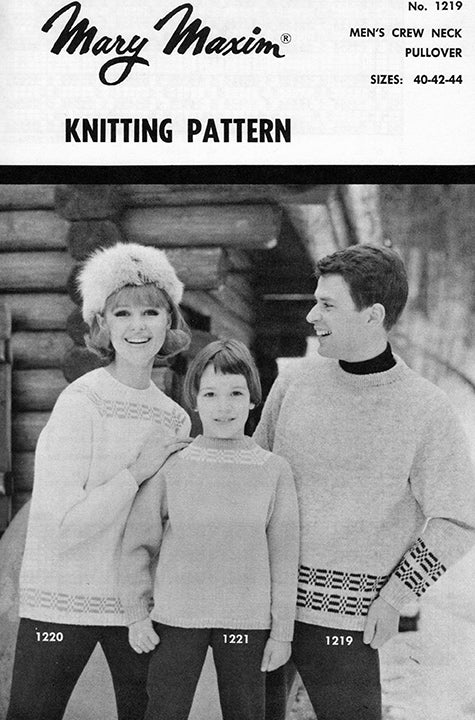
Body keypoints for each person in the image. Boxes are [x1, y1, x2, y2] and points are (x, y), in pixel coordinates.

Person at [254, 244, 475, 720]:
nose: (312, 315)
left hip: (346, 626)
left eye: (327, 304)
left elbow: (459, 519)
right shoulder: (293, 385)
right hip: (264, 607)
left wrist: (396, 596)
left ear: (373, 315)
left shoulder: (424, 409)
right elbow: (253, 482)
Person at [7, 242, 192, 720]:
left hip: (136, 609)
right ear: (102, 324)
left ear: (169, 321)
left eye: (151, 312)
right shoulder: (81, 402)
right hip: (61, 602)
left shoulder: (175, 420)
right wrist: (135, 472)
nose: (137, 326)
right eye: (122, 313)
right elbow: (63, 527)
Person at [119, 339, 300, 720]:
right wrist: (136, 613)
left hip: (247, 622)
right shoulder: (173, 465)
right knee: (164, 711)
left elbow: (284, 558)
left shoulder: (273, 470)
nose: (224, 406)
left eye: (236, 393)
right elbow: (138, 543)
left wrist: (282, 632)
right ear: (195, 401)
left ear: (252, 400)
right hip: (177, 619)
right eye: (211, 394)